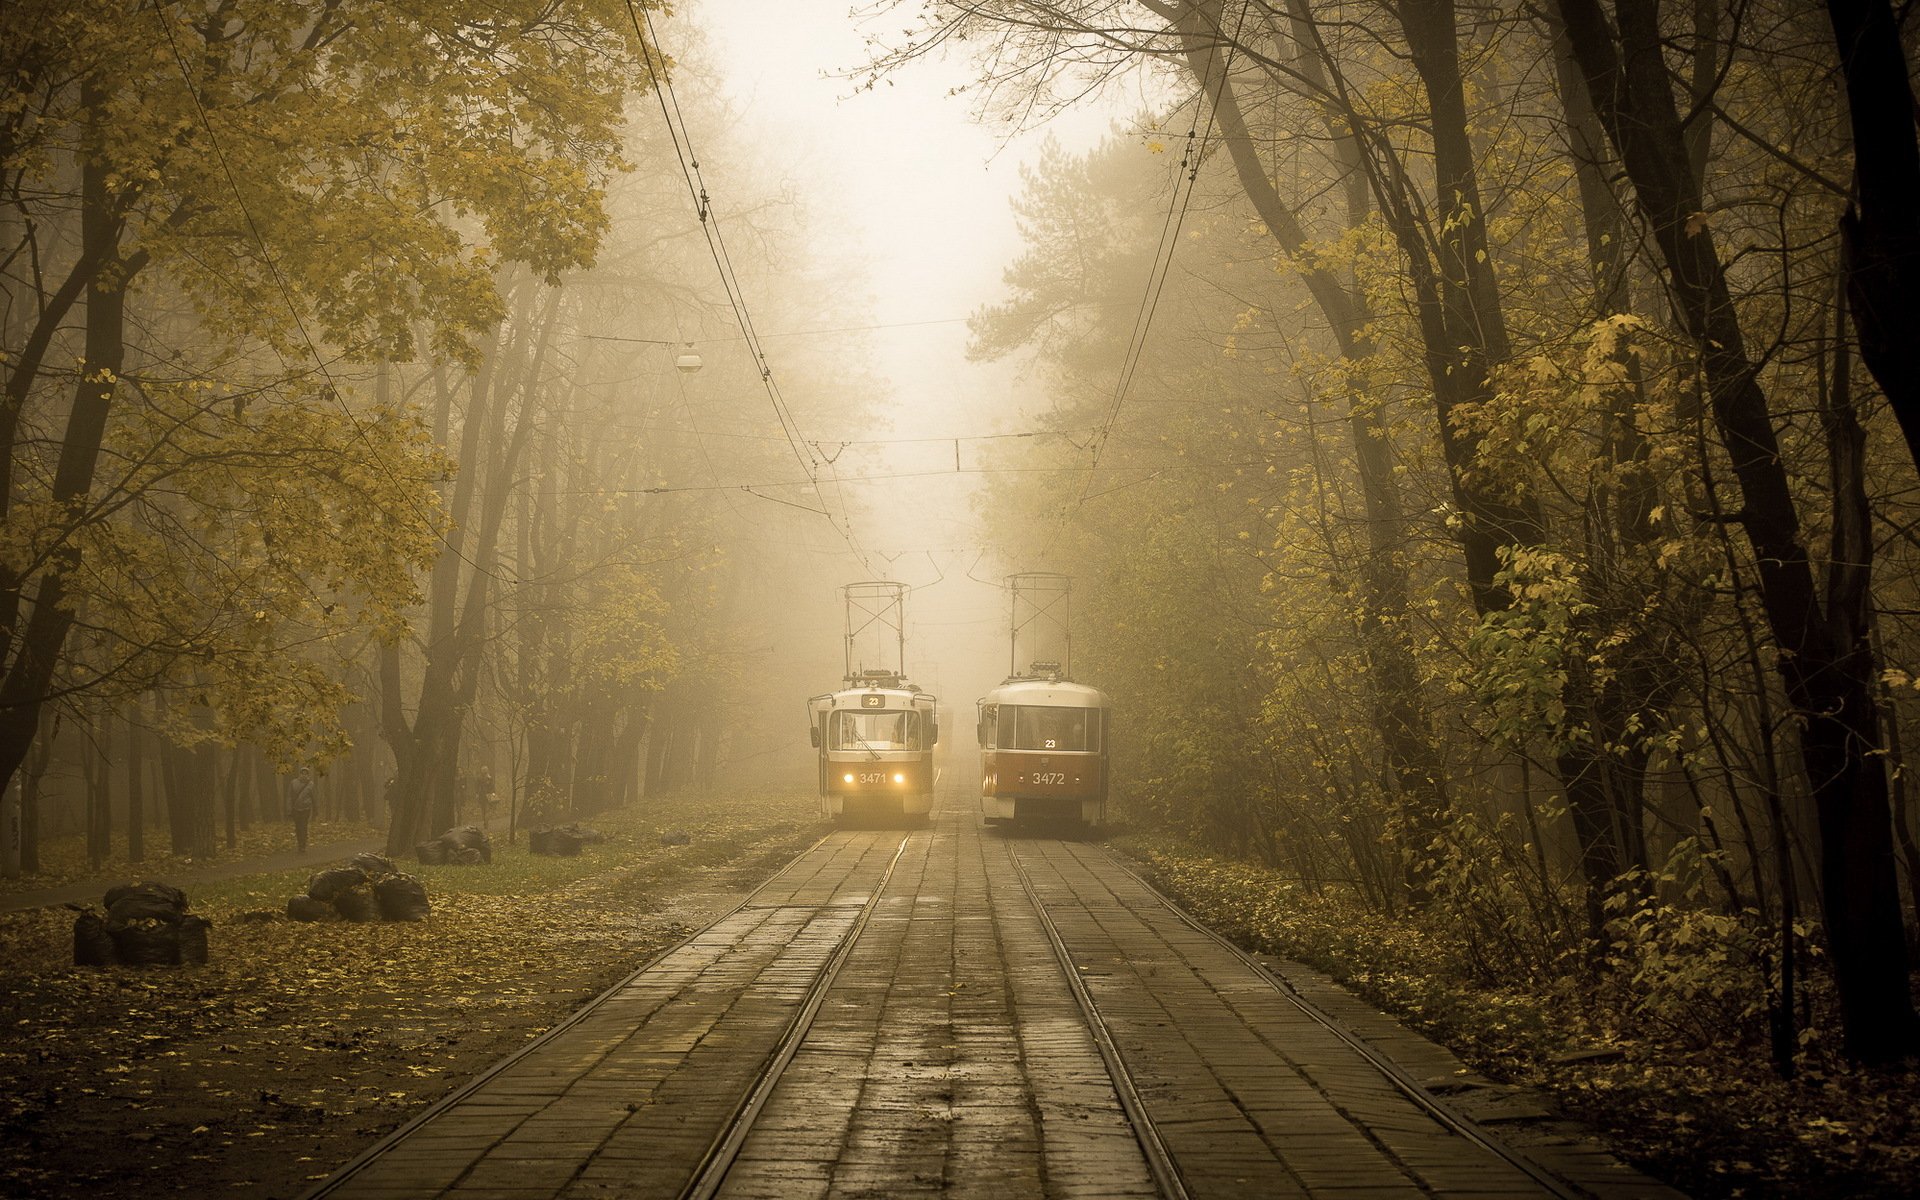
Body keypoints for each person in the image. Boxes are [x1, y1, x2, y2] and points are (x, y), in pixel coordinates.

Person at [288, 766, 315, 854]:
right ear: (300, 773)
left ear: (308, 774)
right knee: (298, 827)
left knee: (304, 826)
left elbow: (314, 797)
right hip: (296, 808)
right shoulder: (293, 783)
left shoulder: (311, 784)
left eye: (306, 773)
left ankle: (303, 845)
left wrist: (315, 809)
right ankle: (300, 843)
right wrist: (289, 809)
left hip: (306, 808)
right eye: (302, 773)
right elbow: (289, 796)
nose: (304, 775)